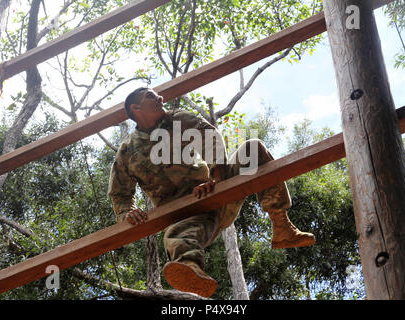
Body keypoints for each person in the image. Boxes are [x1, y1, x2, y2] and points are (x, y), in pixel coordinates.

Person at [108, 87, 315, 297]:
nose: (160, 98)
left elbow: (209, 136)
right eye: (151, 96)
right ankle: (190, 267)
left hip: (215, 190)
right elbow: (120, 192)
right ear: (136, 108)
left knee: (253, 149)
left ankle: (281, 226)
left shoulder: (178, 119)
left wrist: (216, 177)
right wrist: (127, 214)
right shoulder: (128, 151)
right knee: (176, 234)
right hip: (186, 215)